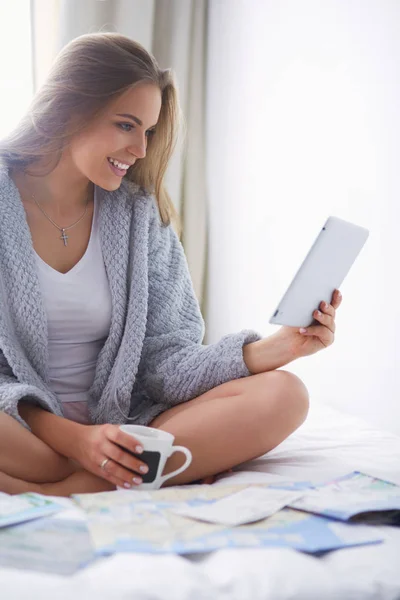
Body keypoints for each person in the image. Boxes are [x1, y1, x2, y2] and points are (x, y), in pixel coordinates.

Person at [0, 33, 341, 497]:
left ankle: (62, 489)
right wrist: (77, 441)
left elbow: (166, 359)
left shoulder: (140, 217)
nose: (140, 150)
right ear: (70, 108)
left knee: (284, 395)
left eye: (149, 132)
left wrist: (275, 350)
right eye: (126, 125)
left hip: (125, 427)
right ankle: (106, 475)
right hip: (25, 431)